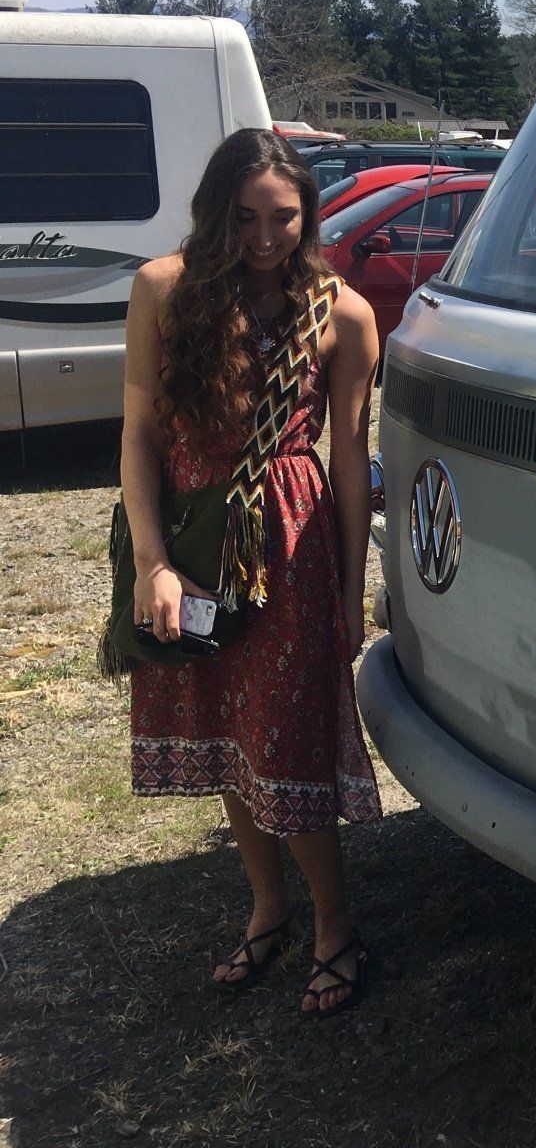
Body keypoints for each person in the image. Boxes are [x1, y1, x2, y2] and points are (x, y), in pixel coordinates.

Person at [120, 128, 383, 1016]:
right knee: (231, 740)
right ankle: (267, 912)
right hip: (194, 543)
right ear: (214, 211)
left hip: (294, 552)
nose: (264, 237)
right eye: (243, 218)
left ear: (307, 216)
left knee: (287, 741)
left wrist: (350, 593)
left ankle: (334, 926)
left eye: (282, 217)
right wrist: (152, 564)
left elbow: (351, 460)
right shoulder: (164, 290)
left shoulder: (342, 312)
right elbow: (139, 436)